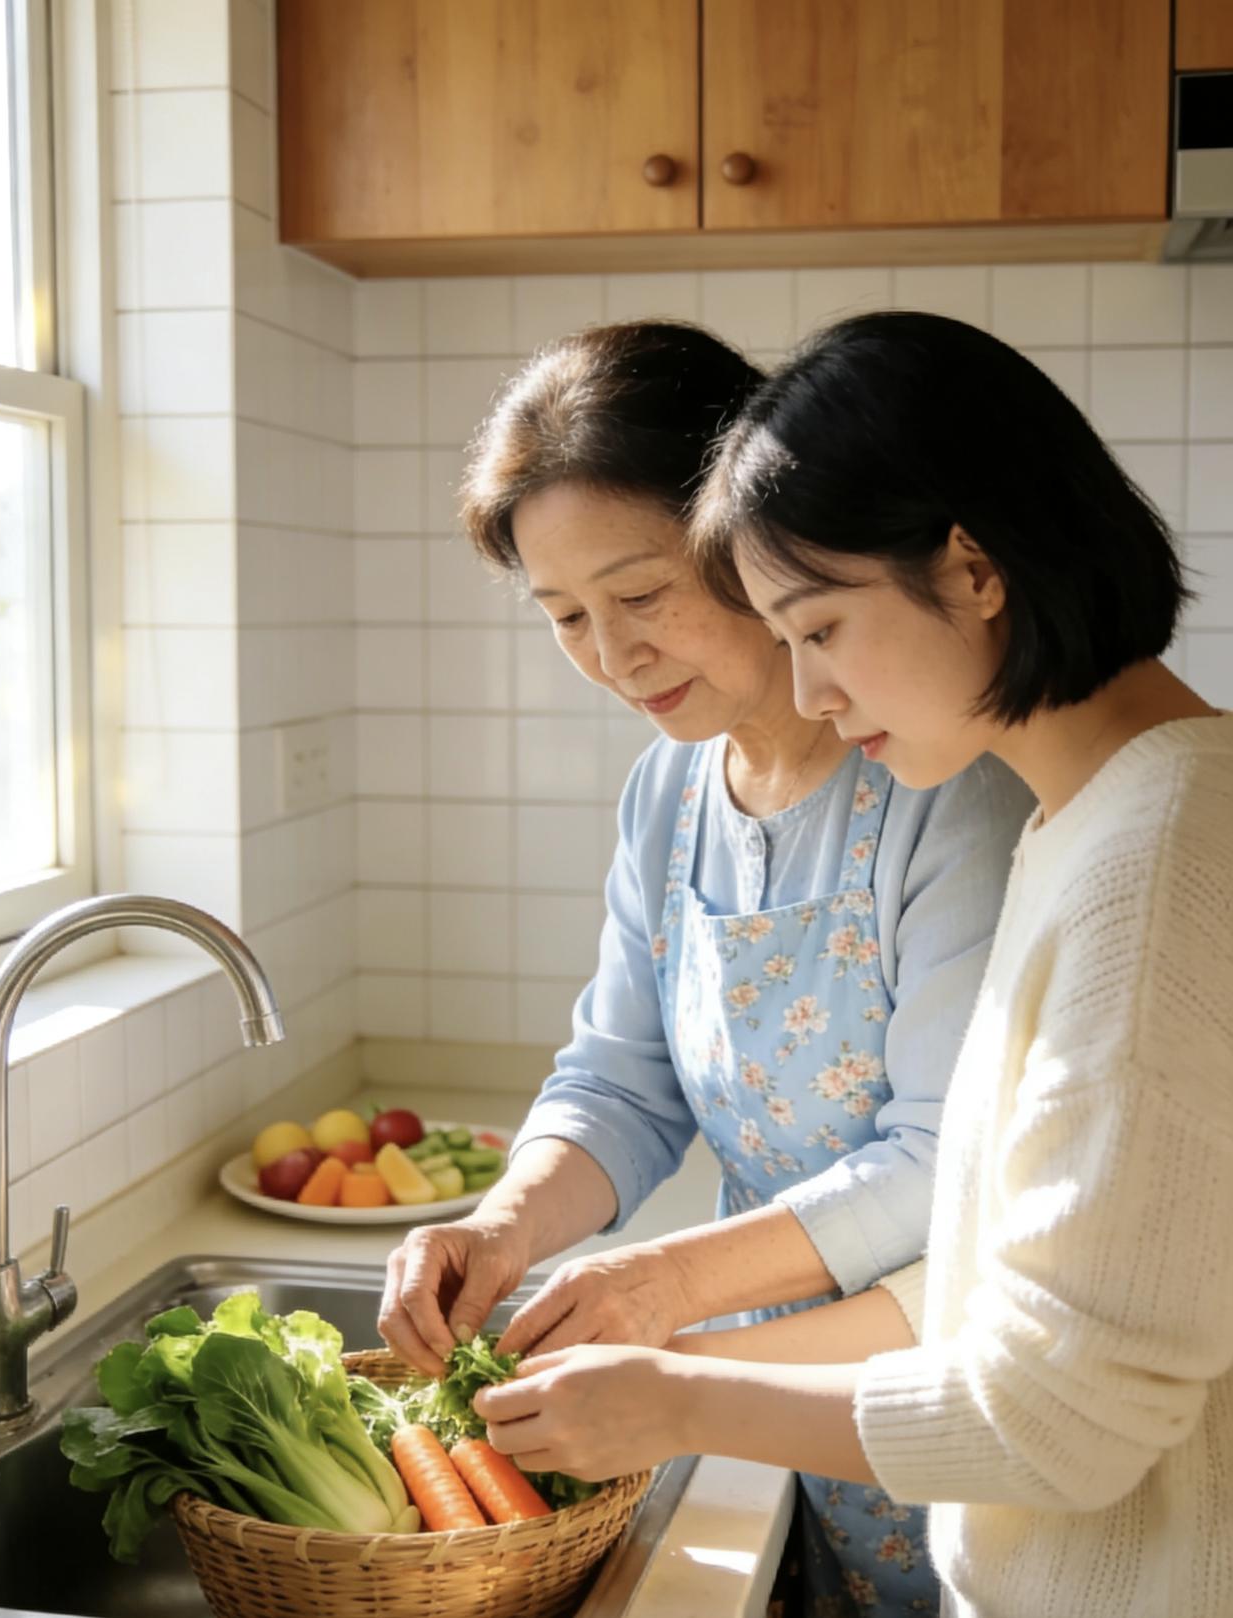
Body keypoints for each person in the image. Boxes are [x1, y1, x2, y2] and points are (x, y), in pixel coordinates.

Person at [471, 312, 1233, 1618]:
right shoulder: (1093, 824)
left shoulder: (1138, 865)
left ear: (973, 568)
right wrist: (545, 1249)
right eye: (565, 616)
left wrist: (682, 1381)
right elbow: (1003, 1269)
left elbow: (1062, 1413)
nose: (812, 691)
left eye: (818, 626)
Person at [380, 320, 1033, 1616]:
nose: (612, 655)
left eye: (641, 595)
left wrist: (666, 1283)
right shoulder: (669, 792)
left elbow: (940, 1162)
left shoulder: (949, 786)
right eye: (566, 615)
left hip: (937, 1403)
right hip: (756, 1403)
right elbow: (622, 1080)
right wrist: (504, 1225)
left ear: (752, 534)